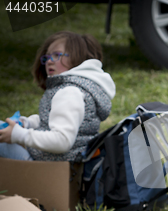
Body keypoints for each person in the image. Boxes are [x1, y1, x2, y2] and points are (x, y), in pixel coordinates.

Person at [0, 31, 115, 162]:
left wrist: (20, 135)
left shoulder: (69, 93)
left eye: (56, 55)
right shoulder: (79, 88)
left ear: (78, 58)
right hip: (67, 166)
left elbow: (62, 140)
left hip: (51, 168)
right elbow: (55, 121)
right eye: (47, 57)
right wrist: (29, 123)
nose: (49, 61)